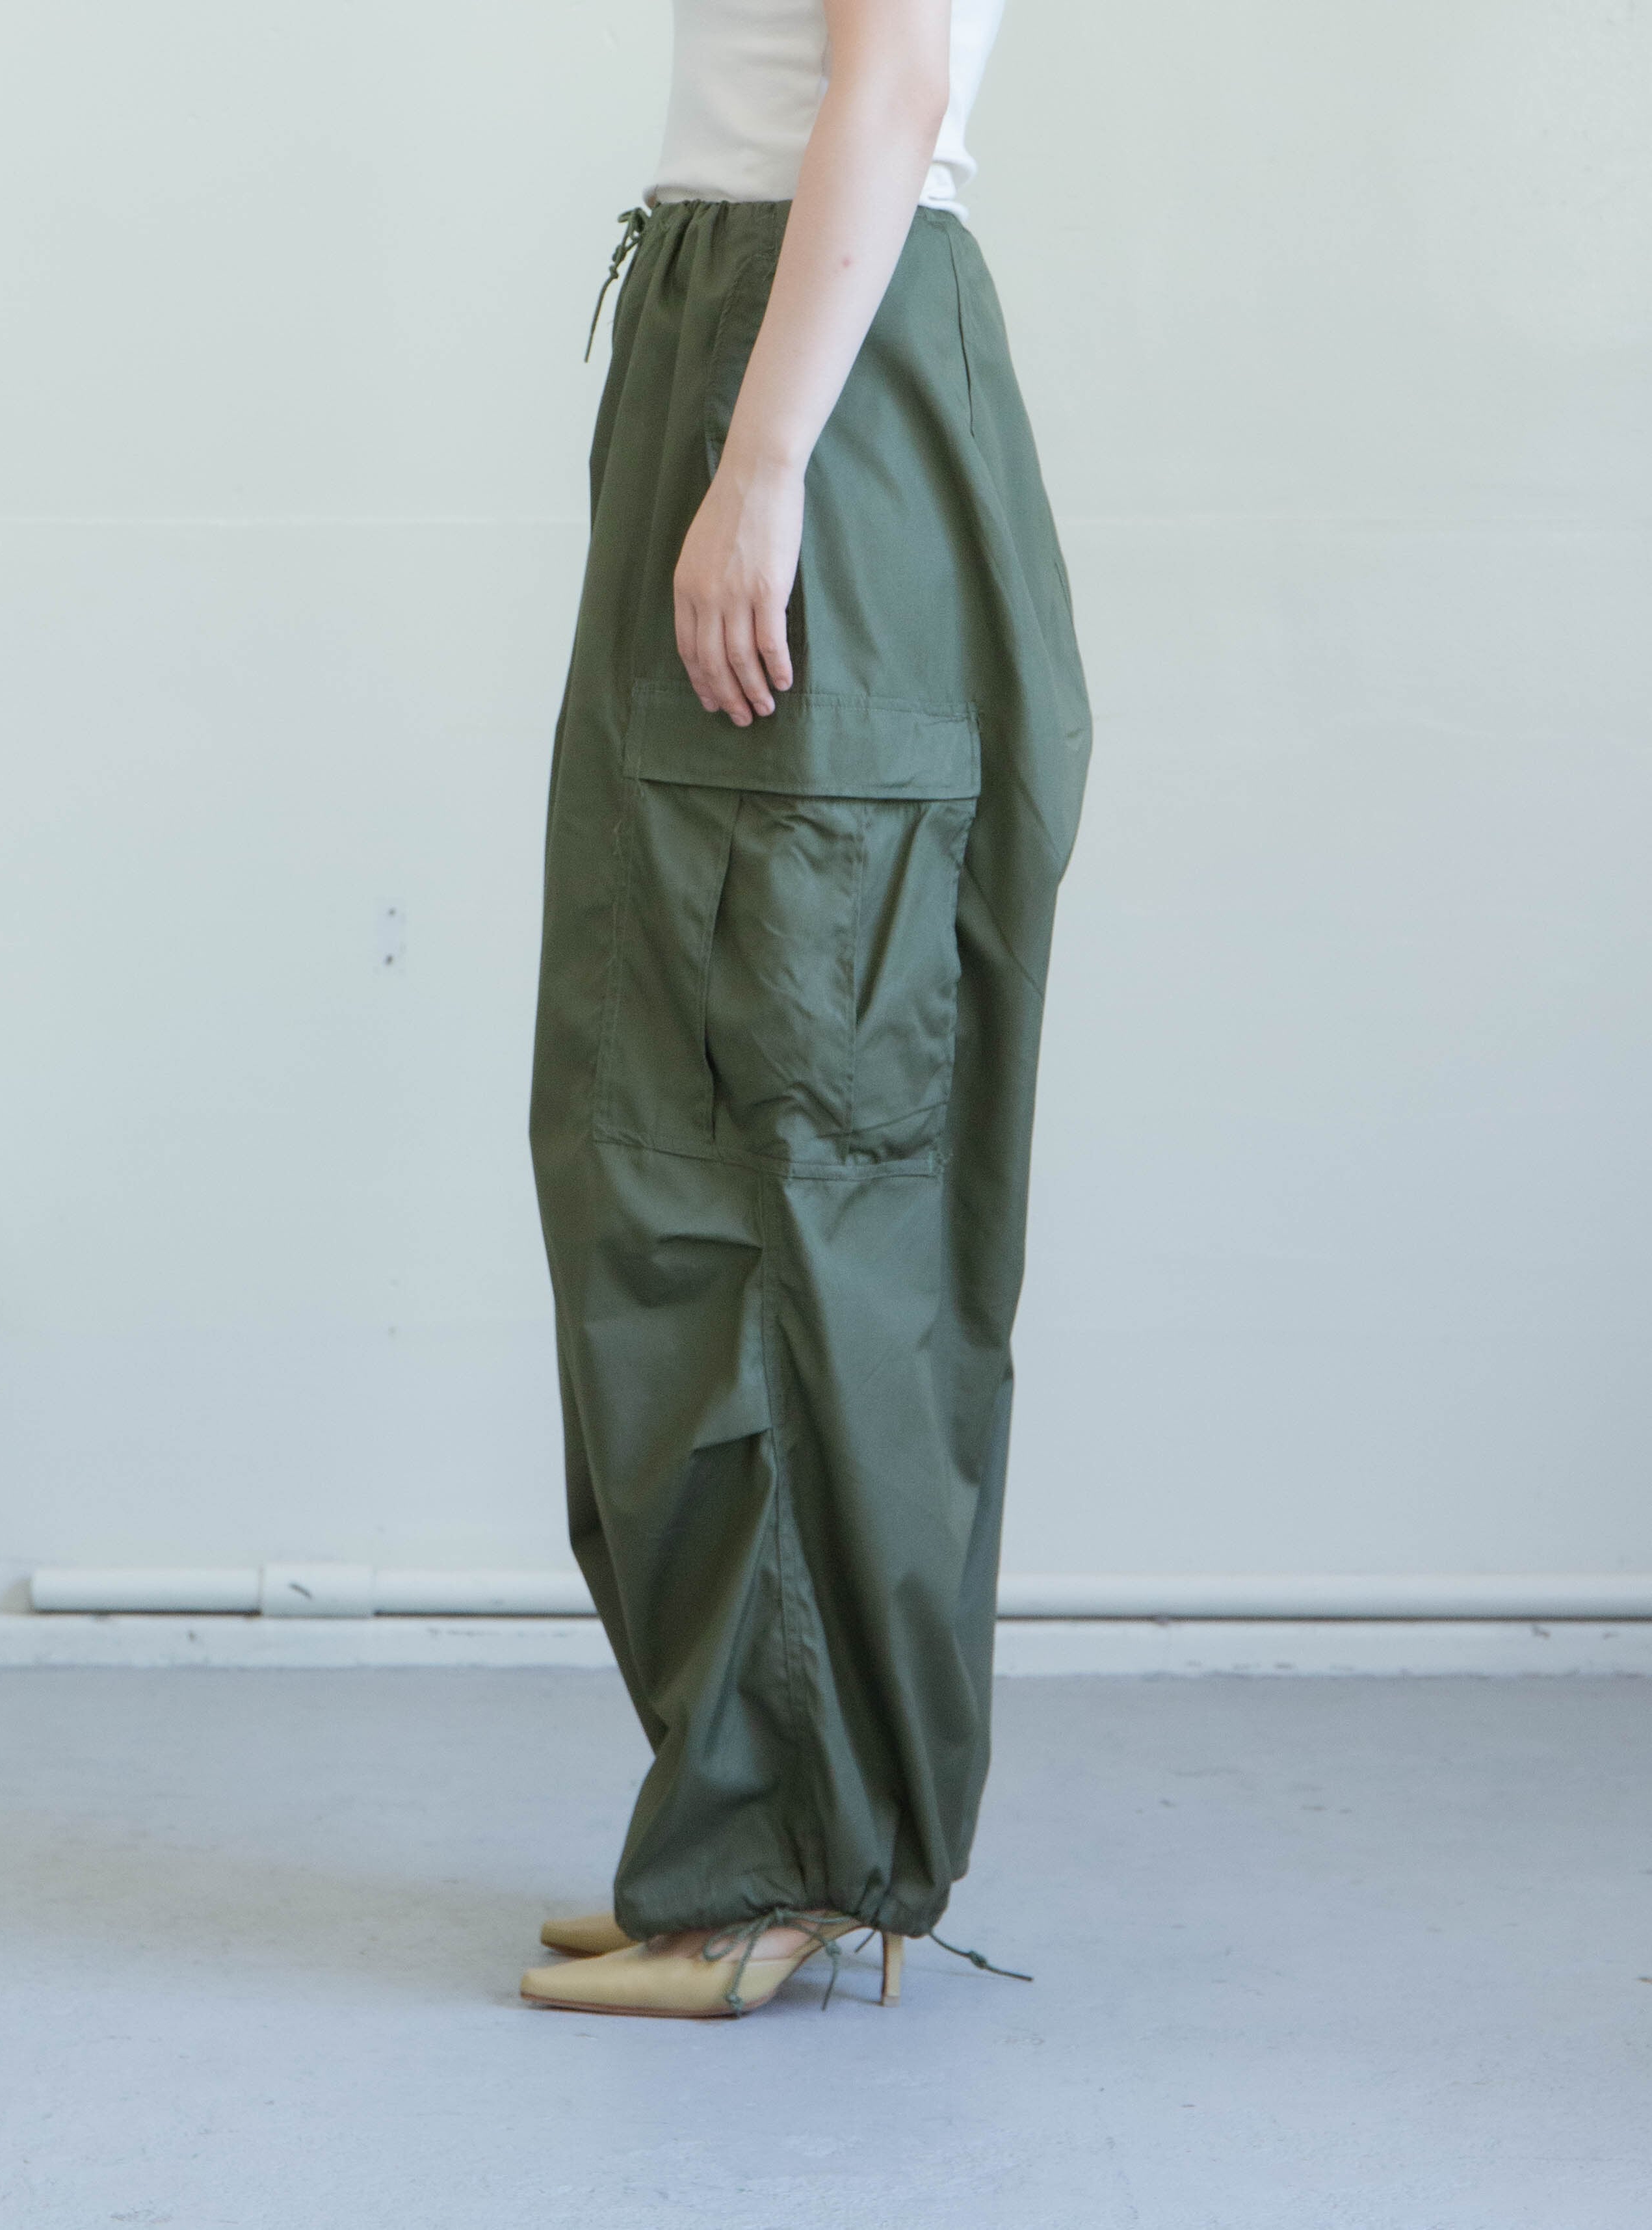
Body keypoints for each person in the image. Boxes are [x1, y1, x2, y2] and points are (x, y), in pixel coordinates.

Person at [521, 0, 1091, 2018]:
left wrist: (763, 462)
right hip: (761, 332)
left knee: (766, 1151)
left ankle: (780, 1861)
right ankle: (757, 1825)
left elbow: (896, 78)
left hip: (806, 367)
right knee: (684, 1120)